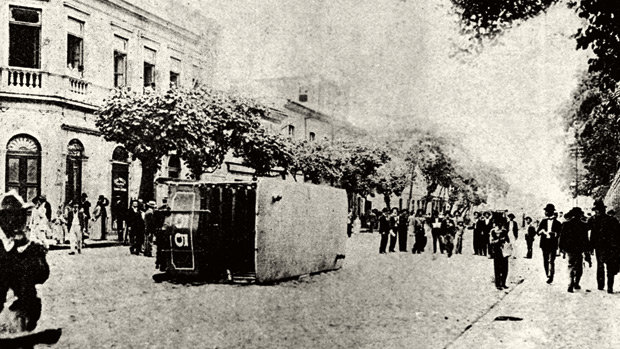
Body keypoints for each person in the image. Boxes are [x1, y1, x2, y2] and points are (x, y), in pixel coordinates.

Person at [0, 190, 49, 332]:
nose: (18, 221)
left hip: (23, 316)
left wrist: (33, 251)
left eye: (20, 216)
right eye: (12, 216)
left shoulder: (30, 247)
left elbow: (42, 275)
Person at [589, 200, 620, 293]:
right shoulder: (612, 219)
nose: (597, 212)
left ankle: (601, 285)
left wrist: (591, 247)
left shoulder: (594, 219)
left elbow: (591, 234)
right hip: (609, 247)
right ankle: (608, 287)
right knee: (608, 266)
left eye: (597, 210)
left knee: (601, 266)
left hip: (602, 247)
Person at [559, 207, 591, 293]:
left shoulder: (565, 224)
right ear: (580, 215)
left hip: (569, 248)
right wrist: (587, 250)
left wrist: (561, 248)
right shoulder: (584, 224)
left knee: (571, 265)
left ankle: (570, 283)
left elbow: (562, 237)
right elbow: (585, 239)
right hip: (579, 249)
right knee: (579, 266)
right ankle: (576, 283)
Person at [537, 203, 562, 284]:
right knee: (545, 260)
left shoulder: (558, 223)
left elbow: (560, 233)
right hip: (544, 244)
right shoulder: (543, 221)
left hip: (553, 243)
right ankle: (547, 273)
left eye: (547, 211)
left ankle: (551, 276)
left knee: (552, 260)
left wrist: (554, 234)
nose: (546, 212)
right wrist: (543, 232)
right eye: (545, 211)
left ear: (552, 212)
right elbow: (538, 232)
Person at [489, 220, 510, 290]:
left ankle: (503, 283)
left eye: (501, 224)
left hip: (504, 251)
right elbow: (491, 242)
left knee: (505, 268)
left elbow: (508, 241)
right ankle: (498, 284)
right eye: (498, 224)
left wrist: (505, 241)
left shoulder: (504, 231)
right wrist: (498, 241)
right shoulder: (493, 231)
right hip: (496, 251)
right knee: (497, 268)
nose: (499, 226)